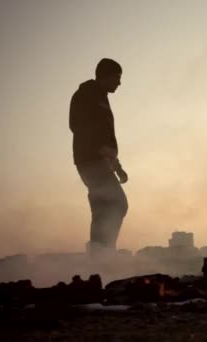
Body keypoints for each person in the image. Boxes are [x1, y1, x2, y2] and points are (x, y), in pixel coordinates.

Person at [69, 58, 128, 257]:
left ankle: (99, 254)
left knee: (102, 207)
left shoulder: (101, 96)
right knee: (117, 203)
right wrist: (98, 149)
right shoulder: (86, 94)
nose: (119, 83)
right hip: (91, 161)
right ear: (105, 75)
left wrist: (117, 166)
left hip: (98, 161)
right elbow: (77, 125)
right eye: (117, 78)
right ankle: (103, 253)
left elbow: (105, 137)